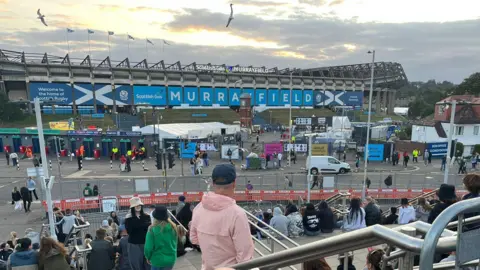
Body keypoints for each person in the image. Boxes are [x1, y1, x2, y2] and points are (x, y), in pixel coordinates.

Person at [190, 163, 254, 270]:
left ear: (213, 183)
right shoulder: (237, 214)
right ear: (234, 184)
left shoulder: (199, 208)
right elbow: (245, 257)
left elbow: (194, 239)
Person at [145, 206, 178, 270]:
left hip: (157, 260)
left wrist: (148, 257)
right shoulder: (173, 227)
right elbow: (175, 243)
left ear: (155, 217)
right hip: (171, 259)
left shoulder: (152, 229)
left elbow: (148, 247)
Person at [124, 197, 152, 270]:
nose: (138, 207)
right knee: (136, 264)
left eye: (139, 205)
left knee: (148, 263)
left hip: (146, 243)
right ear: (132, 207)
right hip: (134, 244)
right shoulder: (128, 218)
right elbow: (129, 231)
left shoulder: (146, 216)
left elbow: (150, 229)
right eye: (136, 205)